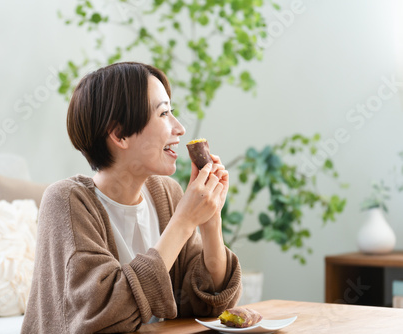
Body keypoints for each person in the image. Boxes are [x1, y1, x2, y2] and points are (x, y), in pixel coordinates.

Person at [21, 62, 242, 333]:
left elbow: (208, 302)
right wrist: (184, 222)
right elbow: (100, 317)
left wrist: (210, 222)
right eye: (163, 114)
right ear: (119, 134)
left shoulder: (167, 193)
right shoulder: (66, 201)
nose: (180, 128)